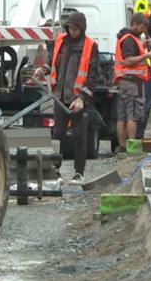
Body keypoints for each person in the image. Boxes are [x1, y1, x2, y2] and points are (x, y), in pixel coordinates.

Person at [34, 11, 101, 185]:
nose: (72, 31)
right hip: (59, 97)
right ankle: (55, 172)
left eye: (75, 28)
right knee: (58, 134)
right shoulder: (61, 42)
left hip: (78, 99)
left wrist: (82, 98)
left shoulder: (90, 46)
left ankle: (79, 173)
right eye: (70, 27)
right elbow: (54, 63)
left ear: (82, 28)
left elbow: (93, 77)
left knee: (79, 135)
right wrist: (44, 69)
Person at [113, 14, 151, 152]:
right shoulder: (129, 40)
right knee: (132, 115)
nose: (143, 31)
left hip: (124, 81)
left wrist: (143, 46)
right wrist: (146, 55)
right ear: (135, 24)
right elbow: (128, 60)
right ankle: (132, 148)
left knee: (122, 116)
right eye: (142, 28)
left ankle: (122, 147)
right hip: (133, 81)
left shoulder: (127, 38)